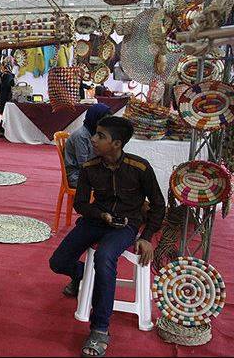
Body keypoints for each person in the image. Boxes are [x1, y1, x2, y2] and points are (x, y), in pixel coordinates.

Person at [49, 116, 165, 357]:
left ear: (117, 143)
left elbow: (158, 205)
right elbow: (80, 204)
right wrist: (101, 215)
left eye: (101, 136)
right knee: (58, 262)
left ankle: (100, 328)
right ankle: (82, 277)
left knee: (104, 258)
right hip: (96, 221)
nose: (93, 139)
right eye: (95, 134)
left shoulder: (139, 168)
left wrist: (147, 236)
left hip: (126, 226)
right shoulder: (90, 168)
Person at [64, 103, 112, 188]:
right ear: (95, 119)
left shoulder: (94, 133)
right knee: (110, 185)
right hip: (77, 176)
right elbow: (83, 164)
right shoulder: (81, 136)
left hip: (88, 172)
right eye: (103, 122)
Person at [0, 56, 16, 137]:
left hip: (1, 96)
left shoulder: (3, 73)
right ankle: (1, 129)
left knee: (3, 113)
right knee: (6, 113)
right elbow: (9, 85)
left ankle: (1, 129)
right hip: (5, 97)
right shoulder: (8, 74)